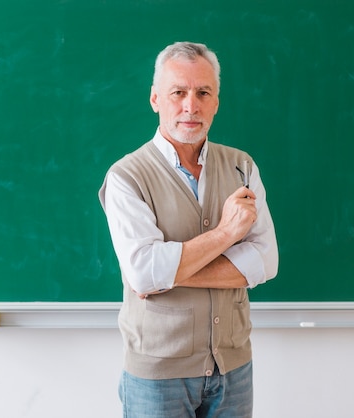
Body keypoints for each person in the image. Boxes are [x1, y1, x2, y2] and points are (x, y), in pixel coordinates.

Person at [98, 41, 278, 417]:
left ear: (216, 101)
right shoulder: (126, 177)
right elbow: (144, 271)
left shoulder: (241, 166)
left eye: (203, 93)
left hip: (233, 369)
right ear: (155, 99)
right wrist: (227, 235)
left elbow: (266, 261)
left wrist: (170, 273)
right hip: (157, 376)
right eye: (178, 92)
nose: (190, 106)